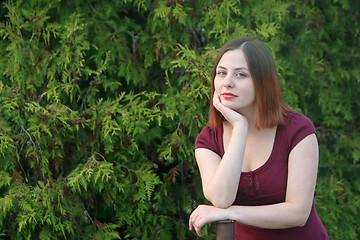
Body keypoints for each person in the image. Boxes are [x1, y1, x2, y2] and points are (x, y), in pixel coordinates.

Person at [188, 37, 329, 239]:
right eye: (221, 73)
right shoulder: (208, 140)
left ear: (262, 82)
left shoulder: (297, 130)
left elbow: (298, 213)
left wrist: (230, 213)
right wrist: (240, 129)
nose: (227, 82)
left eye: (240, 74)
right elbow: (221, 198)